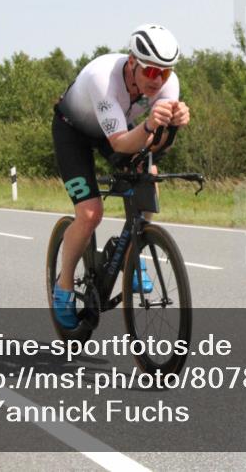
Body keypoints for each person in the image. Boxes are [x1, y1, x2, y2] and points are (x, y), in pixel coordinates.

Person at [51, 24, 191, 328]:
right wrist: (151, 127)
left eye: (164, 73)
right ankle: (62, 289)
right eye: (151, 72)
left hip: (117, 131)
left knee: (149, 173)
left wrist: (173, 128)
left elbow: (157, 144)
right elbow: (119, 144)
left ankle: (132, 251)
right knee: (90, 213)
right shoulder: (101, 78)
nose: (158, 81)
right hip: (73, 132)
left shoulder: (168, 84)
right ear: (132, 63)